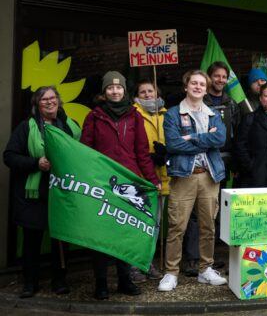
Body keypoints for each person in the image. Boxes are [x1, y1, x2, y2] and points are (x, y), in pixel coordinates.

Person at [81, 71, 160, 299]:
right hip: (102, 184)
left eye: (118, 88)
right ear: (104, 92)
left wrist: (152, 180)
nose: (114, 91)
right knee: (101, 235)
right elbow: (85, 151)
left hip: (128, 184)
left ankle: (125, 280)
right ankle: (101, 282)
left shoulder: (134, 116)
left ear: (125, 90)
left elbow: (142, 152)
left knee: (125, 233)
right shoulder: (94, 117)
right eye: (110, 88)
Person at [3, 86, 79, 298]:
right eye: (44, 99)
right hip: (34, 195)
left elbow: (81, 154)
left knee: (61, 241)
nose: (49, 102)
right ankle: (30, 283)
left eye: (52, 98)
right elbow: (9, 156)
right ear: (37, 104)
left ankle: (60, 281)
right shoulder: (25, 128)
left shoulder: (71, 126)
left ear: (58, 101)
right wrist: (36, 163)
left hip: (62, 191)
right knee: (32, 241)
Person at [159, 70, 228, 292]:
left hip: (209, 176)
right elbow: (173, 144)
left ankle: (205, 269)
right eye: (194, 83)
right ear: (186, 86)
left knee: (208, 226)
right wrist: (206, 140)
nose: (198, 87)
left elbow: (221, 138)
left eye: (202, 84)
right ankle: (171, 273)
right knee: (177, 226)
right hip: (184, 176)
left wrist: (193, 137)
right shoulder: (172, 114)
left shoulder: (213, 114)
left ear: (206, 89)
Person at [131, 80, 169, 283]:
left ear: (157, 92)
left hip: (163, 178)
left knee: (155, 225)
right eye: (142, 91)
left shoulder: (166, 113)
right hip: (142, 178)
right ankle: (134, 265)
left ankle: (147, 263)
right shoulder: (134, 114)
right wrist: (150, 155)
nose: (147, 94)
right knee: (139, 224)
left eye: (150, 91)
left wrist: (166, 153)